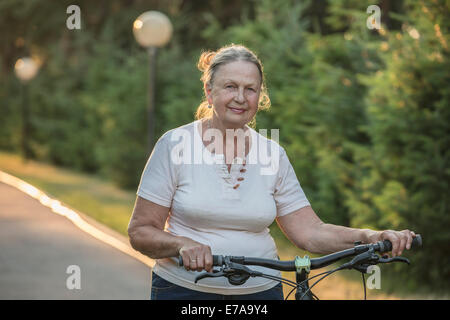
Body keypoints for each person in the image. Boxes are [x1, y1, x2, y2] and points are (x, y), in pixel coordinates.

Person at [127, 44, 416, 300]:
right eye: (230, 87)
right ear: (209, 91)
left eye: (250, 89)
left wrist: (370, 236)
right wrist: (181, 244)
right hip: (183, 291)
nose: (240, 97)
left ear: (259, 96)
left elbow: (310, 232)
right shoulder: (175, 144)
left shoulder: (271, 153)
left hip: (262, 292)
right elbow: (140, 232)